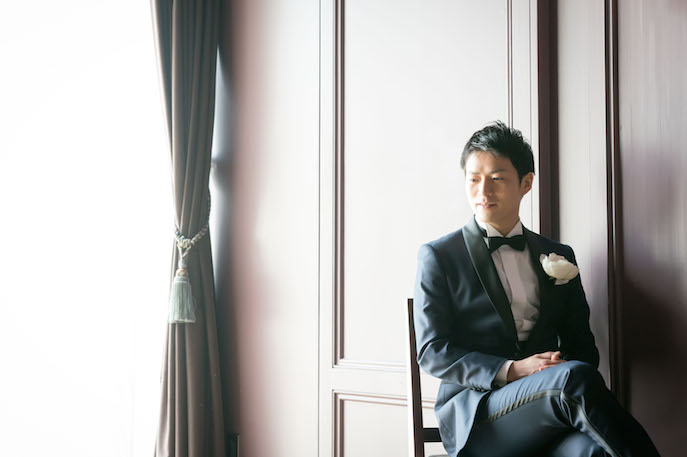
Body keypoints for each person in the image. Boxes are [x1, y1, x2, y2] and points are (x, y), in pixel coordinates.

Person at [413, 121, 661, 457]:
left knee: (594, 451)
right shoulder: (440, 256)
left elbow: (582, 347)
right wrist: (515, 370)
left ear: (526, 183)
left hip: (549, 411)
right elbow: (432, 351)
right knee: (573, 380)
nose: (483, 191)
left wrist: (554, 366)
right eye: (474, 179)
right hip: (480, 417)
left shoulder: (559, 255)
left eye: (497, 178)